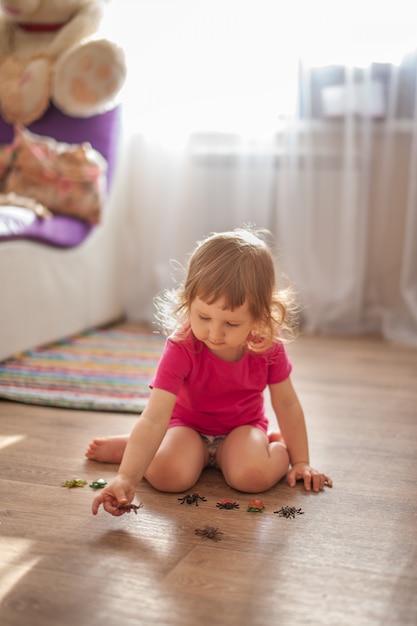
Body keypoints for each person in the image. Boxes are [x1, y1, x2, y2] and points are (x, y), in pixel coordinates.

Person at [87, 227, 332, 516]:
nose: (214, 332)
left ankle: (275, 447)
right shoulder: (181, 347)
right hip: (187, 428)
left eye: (231, 324)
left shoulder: (267, 345)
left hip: (242, 429)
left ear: (259, 317)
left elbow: (287, 402)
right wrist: (126, 478)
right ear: (188, 300)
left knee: (250, 478)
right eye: (203, 316)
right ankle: (139, 450)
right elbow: (154, 417)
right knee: (168, 477)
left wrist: (301, 460)